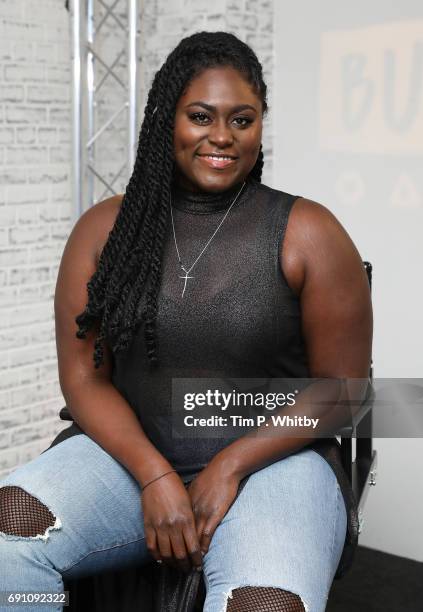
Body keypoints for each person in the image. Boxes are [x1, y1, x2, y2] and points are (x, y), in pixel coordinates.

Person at [0, 31, 372, 612]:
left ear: (260, 126)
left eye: (242, 120)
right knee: (7, 540)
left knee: (264, 603)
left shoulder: (310, 232)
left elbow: (346, 393)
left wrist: (228, 466)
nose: (221, 137)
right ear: (164, 120)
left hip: (276, 462)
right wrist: (153, 476)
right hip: (128, 456)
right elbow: (84, 380)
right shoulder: (104, 232)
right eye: (201, 116)